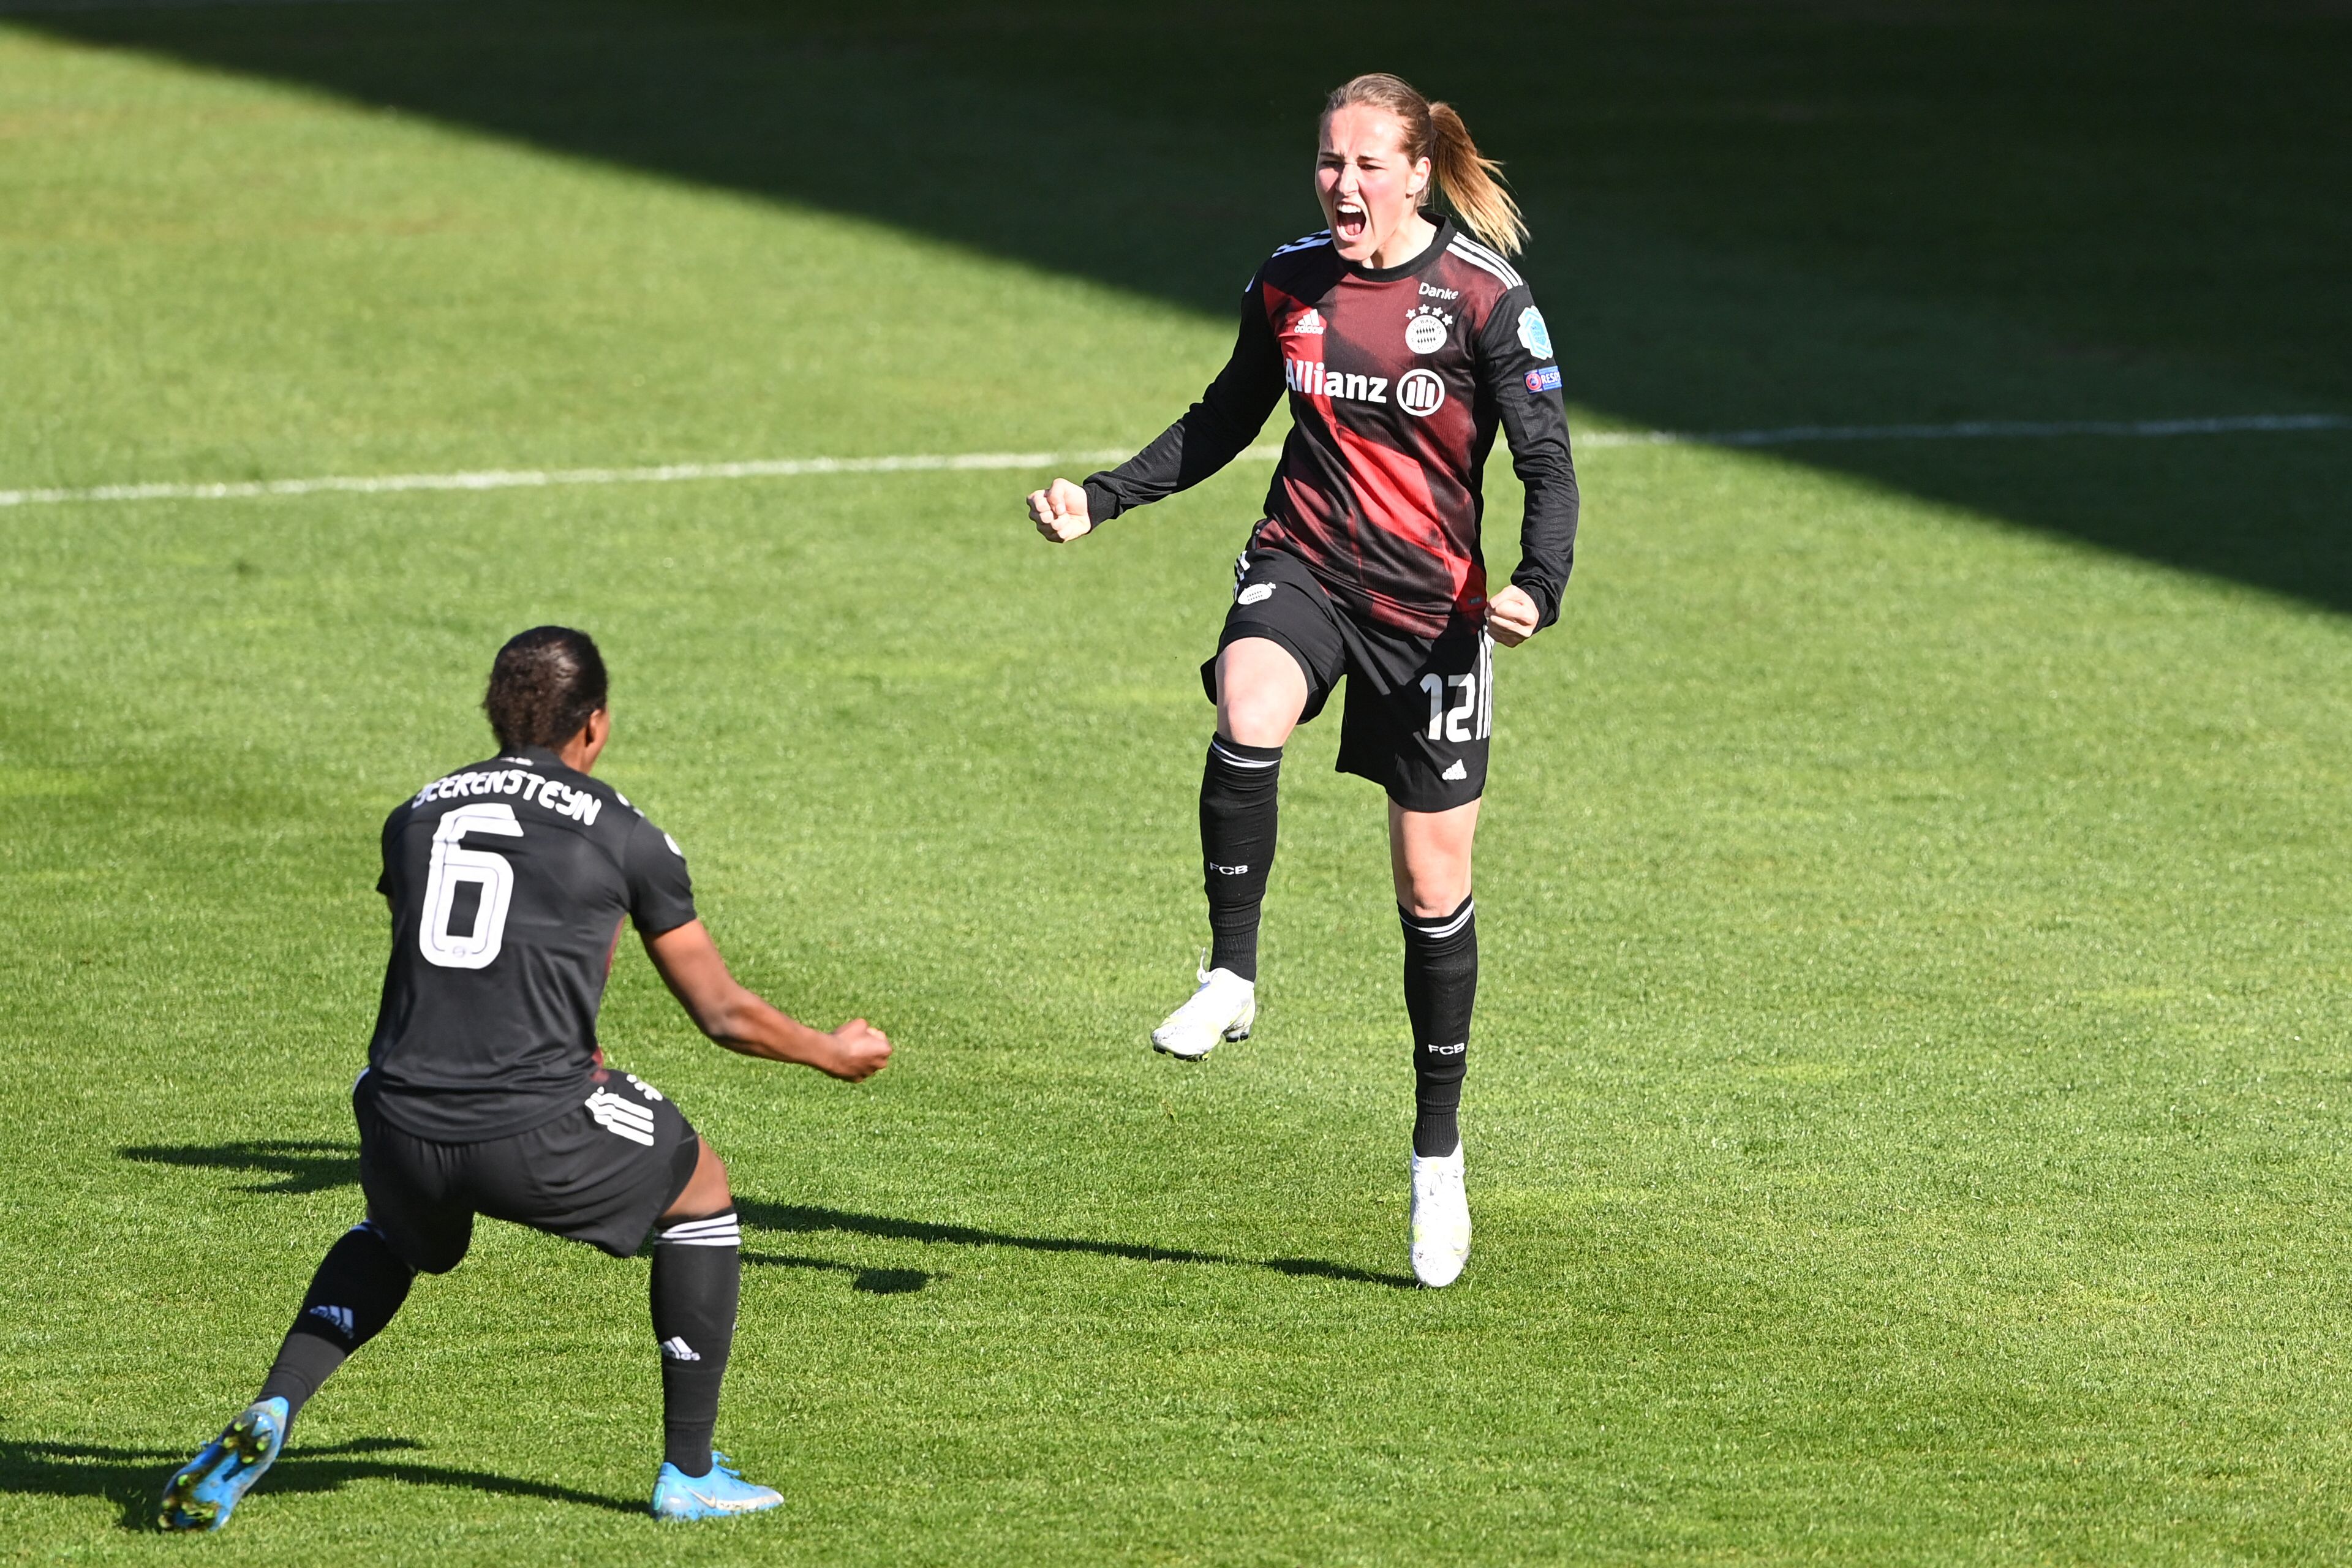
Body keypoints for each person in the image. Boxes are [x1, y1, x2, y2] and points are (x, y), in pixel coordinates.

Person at [1024, 74, 1577, 1289]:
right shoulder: (1290, 284)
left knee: (1433, 888)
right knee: (1248, 703)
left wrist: (1539, 584)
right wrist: (1100, 498)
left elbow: (1546, 459)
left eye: (1368, 164)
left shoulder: (1484, 299)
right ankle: (1231, 972)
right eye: (1329, 162)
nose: (1344, 185)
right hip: (1307, 568)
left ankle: (1437, 1151)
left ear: (1420, 172)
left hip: (1434, 614)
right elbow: (1224, 416)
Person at [159, 626, 892, 1530]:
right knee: (700, 1184)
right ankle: (691, 1473)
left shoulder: (416, 813)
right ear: (596, 726)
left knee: (398, 1234)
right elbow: (722, 1014)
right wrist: (834, 1049)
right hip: (533, 1122)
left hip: (396, 1115)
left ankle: (276, 1403)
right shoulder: (628, 835)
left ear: (492, 714)